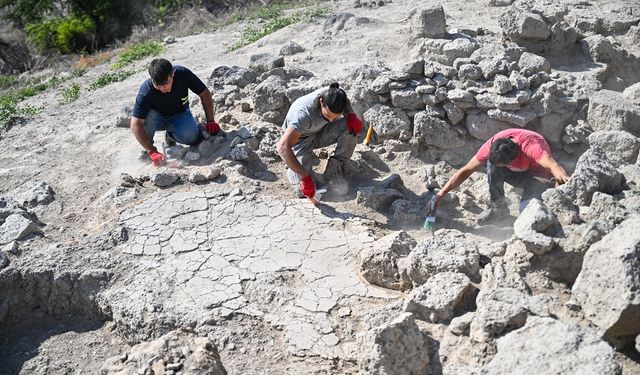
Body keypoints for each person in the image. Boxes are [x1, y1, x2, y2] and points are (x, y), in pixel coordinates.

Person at [434, 128, 570, 221]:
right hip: (517, 173)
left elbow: (553, 166)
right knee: (492, 167)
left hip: (538, 176)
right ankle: (499, 208)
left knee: (526, 213)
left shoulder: (531, 146)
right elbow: (466, 170)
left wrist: (564, 182)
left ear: (512, 161)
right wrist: (441, 193)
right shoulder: (493, 145)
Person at [277, 83, 363, 199]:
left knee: (350, 127)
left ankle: (333, 171)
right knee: (303, 191)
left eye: (335, 117)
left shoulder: (336, 96)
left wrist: (351, 115)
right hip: (300, 140)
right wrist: (304, 176)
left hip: (321, 131)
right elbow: (283, 147)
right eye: (327, 116)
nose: (332, 120)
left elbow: (345, 102)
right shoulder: (303, 115)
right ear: (321, 102)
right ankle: (293, 171)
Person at [130, 58, 221, 166]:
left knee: (192, 137)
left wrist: (210, 120)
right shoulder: (146, 90)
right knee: (143, 120)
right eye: (158, 85)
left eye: (166, 83)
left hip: (179, 114)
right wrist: (152, 151)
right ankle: (148, 152)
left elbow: (204, 93)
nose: (162, 88)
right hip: (156, 119)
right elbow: (135, 124)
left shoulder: (183, 74)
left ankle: (170, 136)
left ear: (172, 74)